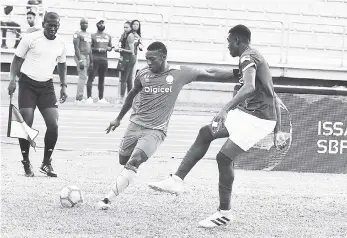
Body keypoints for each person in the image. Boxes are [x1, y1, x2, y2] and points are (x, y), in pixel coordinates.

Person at [148, 25, 287, 228]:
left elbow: (249, 87)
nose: (227, 44)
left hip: (258, 120)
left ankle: (224, 213)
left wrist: (225, 109)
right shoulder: (251, 59)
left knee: (224, 157)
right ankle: (176, 180)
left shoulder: (248, 57)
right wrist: (187, 71)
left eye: (229, 41)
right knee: (205, 133)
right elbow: (268, 92)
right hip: (248, 115)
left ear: (238, 40)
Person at [96, 41, 234, 210]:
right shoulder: (143, 74)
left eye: (152, 59)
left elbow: (210, 72)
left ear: (163, 57)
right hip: (134, 125)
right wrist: (118, 119)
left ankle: (106, 200)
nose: (148, 63)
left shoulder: (179, 73)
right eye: (146, 59)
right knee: (123, 160)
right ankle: (130, 169)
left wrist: (238, 72)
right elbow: (132, 93)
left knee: (135, 159)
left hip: (156, 130)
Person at [7, 12, 68, 178]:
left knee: (53, 124)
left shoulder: (61, 43)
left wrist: (63, 85)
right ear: (44, 24)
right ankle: (26, 161)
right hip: (27, 83)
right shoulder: (30, 38)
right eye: (50, 25)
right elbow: (16, 60)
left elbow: (62, 64)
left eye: (56, 26)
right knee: (26, 122)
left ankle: (46, 162)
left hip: (47, 86)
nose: (53, 29)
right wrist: (12, 80)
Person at [86, 18, 112, 104]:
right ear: (97, 25)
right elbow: (89, 48)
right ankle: (89, 97)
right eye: (100, 23)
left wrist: (108, 48)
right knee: (91, 78)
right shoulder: (93, 36)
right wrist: (98, 49)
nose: (101, 25)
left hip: (104, 60)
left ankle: (101, 98)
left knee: (102, 79)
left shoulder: (108, 36)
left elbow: (110, 47)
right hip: (95, 59)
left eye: (103, 23)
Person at [115, 21, 136, 104]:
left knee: (124, 79)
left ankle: (122, 98)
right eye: (124, 27)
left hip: (129, 58)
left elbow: (132, 51)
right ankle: (130, 98)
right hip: (125, 57)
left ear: (130, 28)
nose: (125, 29)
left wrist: (121, 50)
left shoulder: (130, 36)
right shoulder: (124, 35)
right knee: (128, 79)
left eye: (127, 27)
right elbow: (121, 44)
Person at [73, 18, 92, 103]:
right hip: (81, 55)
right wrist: (80, 60)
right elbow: (76, 47)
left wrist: (91, 60)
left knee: (84, 76)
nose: (85, 25)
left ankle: (80, 96)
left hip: (87, 56)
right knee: (83, 76)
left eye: (86, 23)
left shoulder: (88, 34)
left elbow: (90, 47)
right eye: (83, 23)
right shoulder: (77, 34)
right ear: (80, 24)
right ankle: (79, 98)